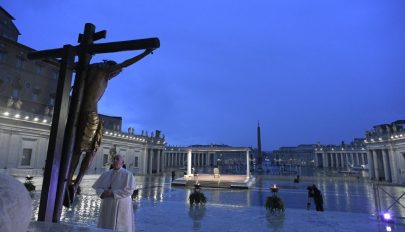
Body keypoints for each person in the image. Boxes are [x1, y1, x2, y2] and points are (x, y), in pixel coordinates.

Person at [64, 48, 154, 207]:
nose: (115, 75)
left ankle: (70, 180)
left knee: (83, 150)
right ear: (110, 67)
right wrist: (146, 52)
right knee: (87, 150)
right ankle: (73, 182)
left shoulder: (89, 70)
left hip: (85, 113)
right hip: (90, 114)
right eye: (116, 72)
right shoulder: (102, 72)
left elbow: (69, 66)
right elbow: (127, 63)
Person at [92, 154, 136, 232]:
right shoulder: (106, 174)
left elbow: (129, 190)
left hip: (121, 205)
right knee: (106, 224)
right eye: (114, 159)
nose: (115, 161)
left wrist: (112, 193)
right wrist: (102, 193)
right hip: (107, 204)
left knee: (120, 226)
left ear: (122, 163)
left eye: (117, 159)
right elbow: (98, 187)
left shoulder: (128, 175)